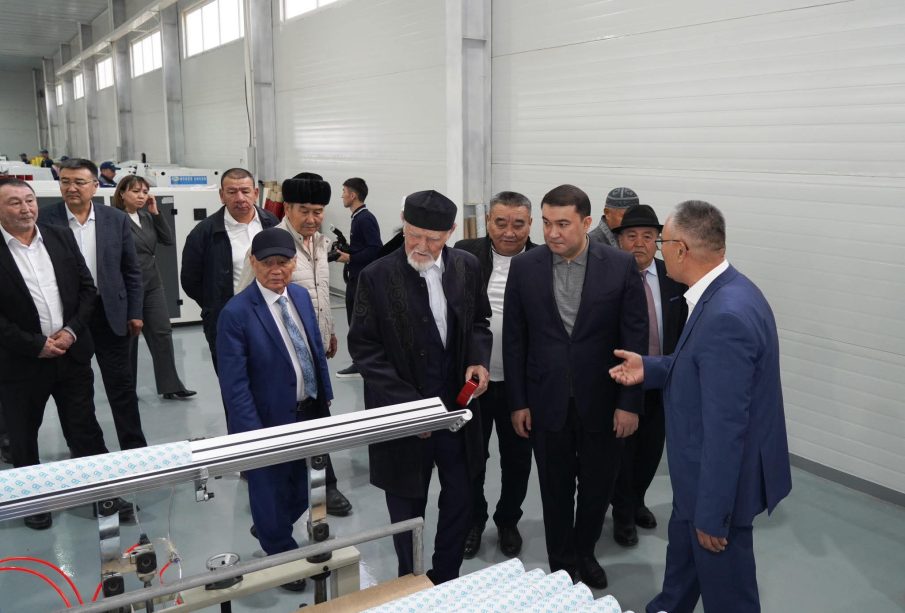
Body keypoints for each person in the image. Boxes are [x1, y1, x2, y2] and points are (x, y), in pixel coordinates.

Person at [609, 200, 792, 613]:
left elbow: (727, 428)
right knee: (682, 566)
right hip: (696, 477)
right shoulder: (728, 291)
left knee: (728, 593)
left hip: (717, 485)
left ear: (681, 249)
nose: (659, 251)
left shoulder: (727, 315)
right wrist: (650, 367)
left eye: (662, 244)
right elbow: (700, 366)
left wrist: (712, 513)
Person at [503, 184, 647, 588]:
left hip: (603, 400)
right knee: (555, 487)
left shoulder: (619, 266)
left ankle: (586, 551)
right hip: (546, 400)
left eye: (563, 224)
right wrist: (518, 402)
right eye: (547, 223)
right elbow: (515, 341)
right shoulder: (525, 267)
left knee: (598, 486)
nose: (552, 233)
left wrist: (629, 403)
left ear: (586, 223)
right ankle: (562, 563)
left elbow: (634, 339)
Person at [349, 190, 491, 584]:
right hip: (403, 416)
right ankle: (409, 580)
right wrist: (412, 408)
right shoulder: (376, 276)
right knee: (406, 506)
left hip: (456, 412)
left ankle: (445, 576)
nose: (422, 246)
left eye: (433, 238)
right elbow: (364, 350)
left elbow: (479, 322)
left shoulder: (466, 267)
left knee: (461, 496)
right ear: (403, 223)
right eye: (413, 235)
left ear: (451, 232)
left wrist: (477, 360)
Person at [217, 227, 334, 592]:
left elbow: (313, 350)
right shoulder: (236, 314)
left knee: (303, 487)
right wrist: (253, 436)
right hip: (266, 420)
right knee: (269, 487)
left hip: (308, 410)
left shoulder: (298, 296)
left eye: (283, 262)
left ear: (294, 263)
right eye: (267, 263)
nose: (276, 270)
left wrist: (324, 396)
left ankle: (271, 526)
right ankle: (281, 553)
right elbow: (234, 385)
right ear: (253, 263)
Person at [0, 179, 115, 529]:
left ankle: (102, 494)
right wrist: (35, 344)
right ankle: (32, 500)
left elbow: (87, 290)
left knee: (85, 428)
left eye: (30, 200)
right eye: (14, 202)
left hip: (71, 354)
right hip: (21, 362)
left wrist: (71, 331)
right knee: (24, 435)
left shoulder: (59, 237)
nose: (25, 208)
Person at [236, 172, 353, 517]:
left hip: (312, 351)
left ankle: (325, 485)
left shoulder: (320, 244)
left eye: (319, 211)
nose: (312, 218)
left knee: (318, 416)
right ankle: (278, 488)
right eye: (305, 210)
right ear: (287, 208)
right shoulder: (268, 247)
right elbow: (244, 299)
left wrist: (328, 331)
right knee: (281, 422)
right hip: (277, 354)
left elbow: (319, 294)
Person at [40, 158, 147, 457]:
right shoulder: (45, 220)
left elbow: (131, 270)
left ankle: (134, 449)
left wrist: (135, 312)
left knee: (121, 387)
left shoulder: (115, 219)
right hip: (69, 318)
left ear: (95, 186)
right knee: (75, 391)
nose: (71, 188)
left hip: (110, 314)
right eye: (65, 182)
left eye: (79, 182)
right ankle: (84, 449)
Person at [453, 191, 535, 559]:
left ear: (530, 225)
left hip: (521, 386)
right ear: (488, 222)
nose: (509, 232)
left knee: (517, 460)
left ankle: (507, 520)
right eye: (500, 222)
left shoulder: (541, 260)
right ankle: (474, 519)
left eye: (518, 224)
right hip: (474, 383)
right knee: (472, 458)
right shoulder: (465, 254)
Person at [609, 204, 687, 547]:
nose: (638, 243)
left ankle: (637, 500)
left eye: (647, 236)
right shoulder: (606, 278)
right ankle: (622, 514)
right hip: (620, 380)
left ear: (657, 240)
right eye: (631, 236)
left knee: (651, 450)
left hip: (661, 379)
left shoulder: (673, 277)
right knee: (622, 453)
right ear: (619, 240)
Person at [181, 168, 279, 375]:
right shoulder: (204, 232)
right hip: (227, 319)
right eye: (232, 192)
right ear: (221, 195)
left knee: (271, 377)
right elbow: (190, 280)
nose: (240, 198)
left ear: (256, 193)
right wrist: (216, 305)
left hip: (271, 314)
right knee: (234, 379)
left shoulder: (272, 224)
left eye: (245, 191)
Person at [112, 175, 195, 400]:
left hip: (152, 283)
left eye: (144, 191)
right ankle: (127, 388)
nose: (141, 196)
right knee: (129, 338)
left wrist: (156, 213)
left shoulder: (146, 217)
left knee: (162, 332)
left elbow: (167, 239)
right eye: (135, 191)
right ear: (122, 193)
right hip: (127, 286)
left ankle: (170, 385)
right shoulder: (114, 219)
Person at [334, 177, 382, 378]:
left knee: (358, 322)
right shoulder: (358, 218)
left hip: (362, 281)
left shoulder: (365, 219)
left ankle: (361, 364)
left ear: (353, 195)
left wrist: (350, 258)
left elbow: (375, 249)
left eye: (344, 191)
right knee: (354, 320)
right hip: (355, 278)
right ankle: (361, 361)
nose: (342, 196)